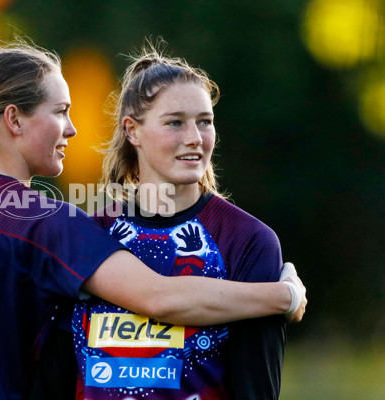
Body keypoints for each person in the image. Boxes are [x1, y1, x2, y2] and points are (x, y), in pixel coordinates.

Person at [0, 41, 306, 400]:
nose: (73, 128)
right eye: (60, 111)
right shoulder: (45, 220)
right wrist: (283, 296)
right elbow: (158, 297)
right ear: (14, 119)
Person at [70, 41, 298, 399]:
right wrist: (285, 297)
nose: (195, 139)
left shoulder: (246, 239)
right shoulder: (88, 233)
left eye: (204, 122)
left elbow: (257, 387)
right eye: (175, 122)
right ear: (132, 131)